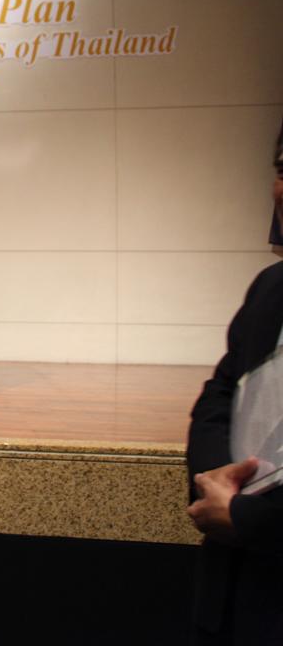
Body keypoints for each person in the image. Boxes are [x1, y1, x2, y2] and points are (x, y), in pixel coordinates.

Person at [186, 136, 283, 644]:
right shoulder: (270, 287)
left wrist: (247, 517)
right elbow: (218, 396)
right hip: (233, 596)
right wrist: (212, 479)